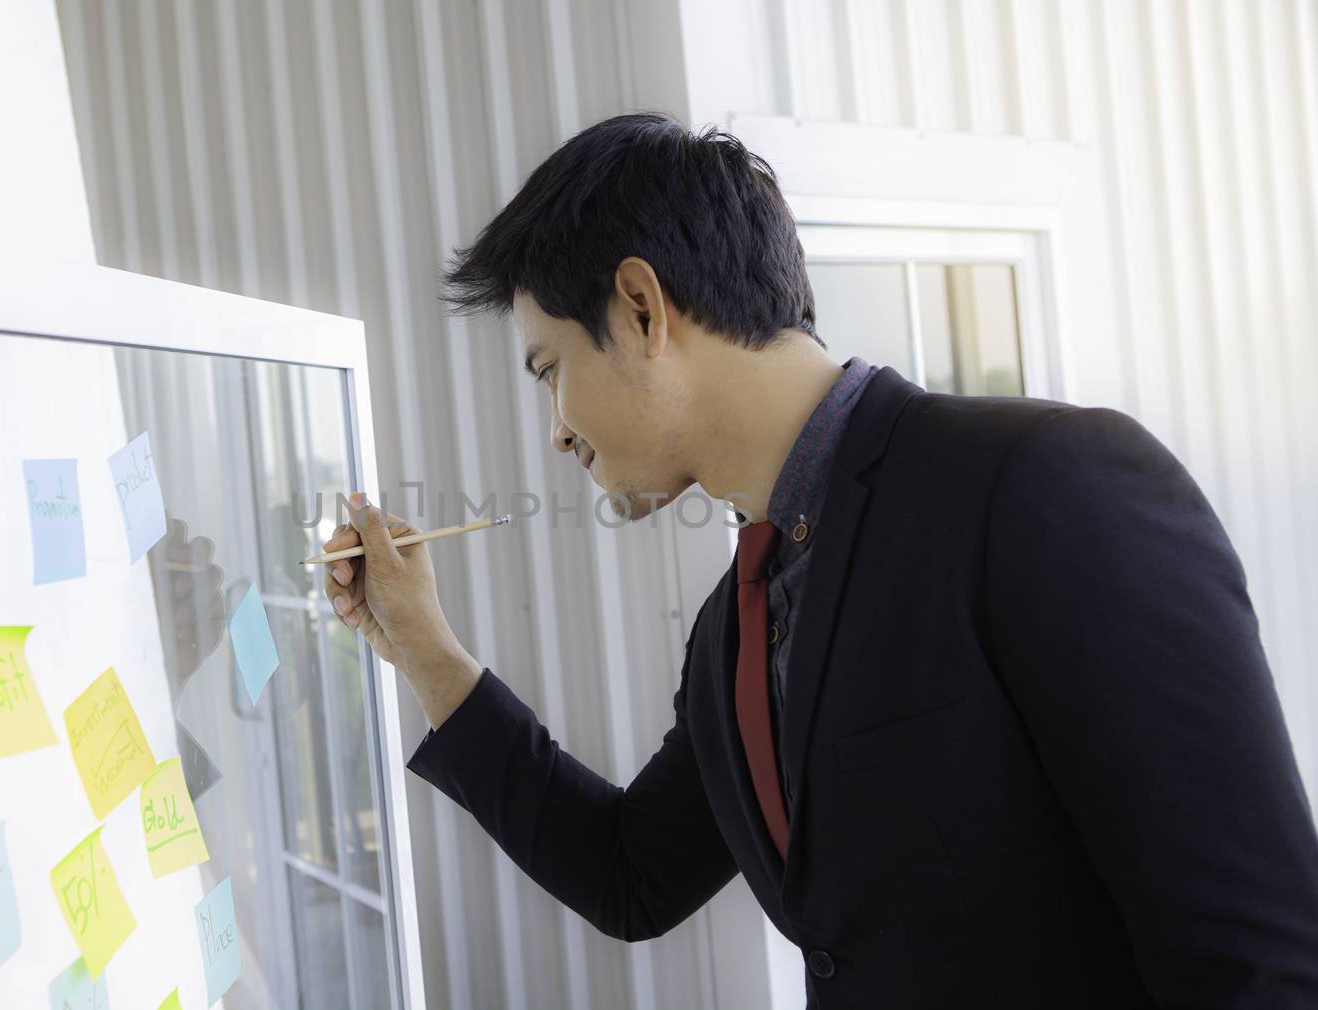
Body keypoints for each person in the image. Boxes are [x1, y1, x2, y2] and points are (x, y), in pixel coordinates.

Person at [320, 112, 1318, 1007]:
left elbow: (1258, 961)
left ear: (638, 306)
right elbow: (633, 874)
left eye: (551, 371)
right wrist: (423, 649)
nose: (557, 431)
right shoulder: (732, 627)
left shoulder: (1046, 485)